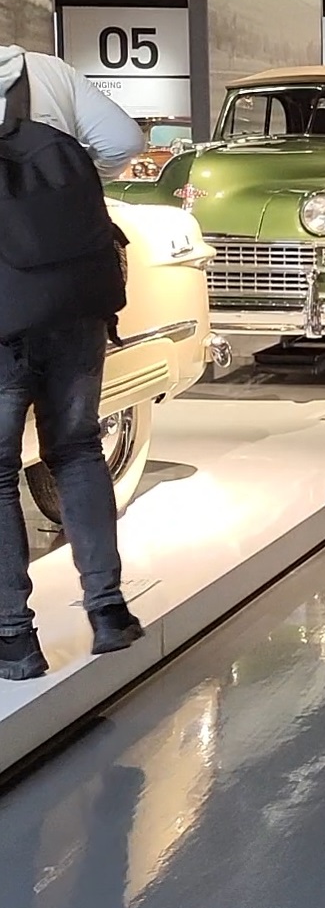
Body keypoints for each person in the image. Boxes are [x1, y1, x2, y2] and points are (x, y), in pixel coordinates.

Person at [0, 42, 147, 679]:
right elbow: (123, 141)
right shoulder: (44, 71)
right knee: (79, 448)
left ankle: (14, 638)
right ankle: (108, 611)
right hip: (75, 297)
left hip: (4, 312)